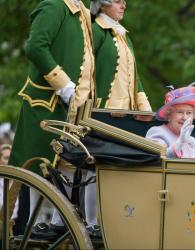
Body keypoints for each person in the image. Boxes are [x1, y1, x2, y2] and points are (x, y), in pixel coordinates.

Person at [8, 0, 95, 239]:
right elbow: (36, 46)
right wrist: (63, 83)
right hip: (48, 103)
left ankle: (58, 223)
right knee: (40, 165)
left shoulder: (83, 13)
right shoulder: (53, 6)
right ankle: (34, 227)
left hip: (73, 108)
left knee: (67, 164)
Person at [82, 0, 152, 237]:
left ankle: (115, 220)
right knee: (97, 169)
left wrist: (146, 110)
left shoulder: (124, 36)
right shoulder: (96, 30)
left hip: (126, 116)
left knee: (119, 170)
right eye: (118, 1)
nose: (124, 5)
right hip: (102, 113)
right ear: (103, 4)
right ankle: (92, 223)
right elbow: (85, 70)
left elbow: (136, 79)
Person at [145, 83, 195, 158]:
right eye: (180, 112)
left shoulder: (192, 141)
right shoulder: (157, 132)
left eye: (189, 113)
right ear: (169, 115)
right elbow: (158, 159)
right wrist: (179, 143)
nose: (185, 117)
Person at [0, 145, 19, 225]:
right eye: (7, 158)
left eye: (12, 158)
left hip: (17, 229)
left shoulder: (23, 186)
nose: (10, 161)